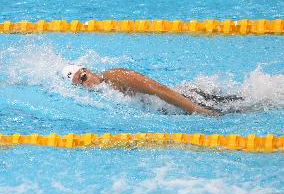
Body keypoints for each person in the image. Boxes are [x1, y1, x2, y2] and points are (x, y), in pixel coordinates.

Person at [61, 65, 242, 116]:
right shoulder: (105, 93)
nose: (86, 84)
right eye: (80, 84)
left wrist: (196, 109)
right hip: (178, 107)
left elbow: (158, 89)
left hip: (188, 99)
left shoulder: (114, 76)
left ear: (88, 69)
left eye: (83, 77)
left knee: (245, 107)